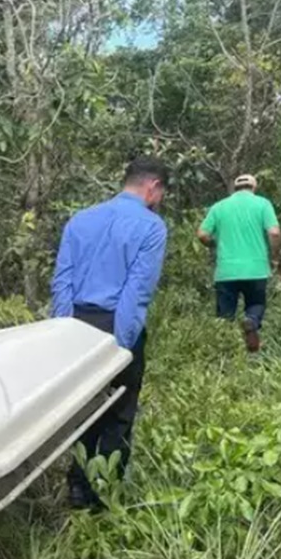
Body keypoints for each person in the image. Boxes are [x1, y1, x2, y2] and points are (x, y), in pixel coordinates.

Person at [51, 157, 170, 510]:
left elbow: (62, 281)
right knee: (118, 413)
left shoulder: (81, 219)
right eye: (162, 193)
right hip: (115, 325)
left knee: (83, 409)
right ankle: (106, 495)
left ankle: (77, 487)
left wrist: (63, 331)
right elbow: (136, 293)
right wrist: (120, 348)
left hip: (75, 323)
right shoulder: (151, 227)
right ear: (153, 187)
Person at [196, 174, 281, 353]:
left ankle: (224, 353)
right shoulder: (263, 204)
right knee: (256, 304)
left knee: (225, 317)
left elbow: (202, 234)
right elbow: (274, 233)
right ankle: (251, 321)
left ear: (234, 188)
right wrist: (275, 257)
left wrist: (213, 244)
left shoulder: (219, 207)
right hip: (256, 268)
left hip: (226, 270)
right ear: (254, 187)